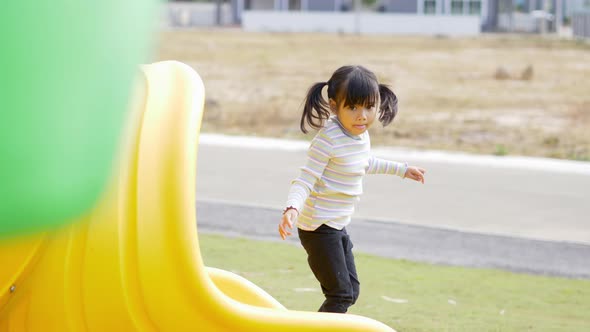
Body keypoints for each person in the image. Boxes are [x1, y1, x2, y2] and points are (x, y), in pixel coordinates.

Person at [278, 65, 426, 314]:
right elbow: (305, 179)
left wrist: (402, 170)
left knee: (351, 292)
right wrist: (292, 207)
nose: (362, 116)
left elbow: (363, 162)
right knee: (340, 294)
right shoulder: (328, 140)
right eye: (352, 107)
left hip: (336, 224)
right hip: (318, 228)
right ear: (335, 106)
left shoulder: (359, 136)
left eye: (369, 107)